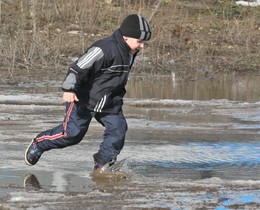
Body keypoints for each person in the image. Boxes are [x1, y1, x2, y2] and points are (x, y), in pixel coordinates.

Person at [24, 14, 152, 170]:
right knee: (72, 134)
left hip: (109, 102)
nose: (142, 46)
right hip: (84, 98)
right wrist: (69, 88)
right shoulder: (104, 48)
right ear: (126, 37)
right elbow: (77, 68)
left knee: (118, 129)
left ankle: (103, 163)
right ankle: (40, 143)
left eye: (144, 42)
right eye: (139, 42)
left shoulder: (130, 53)